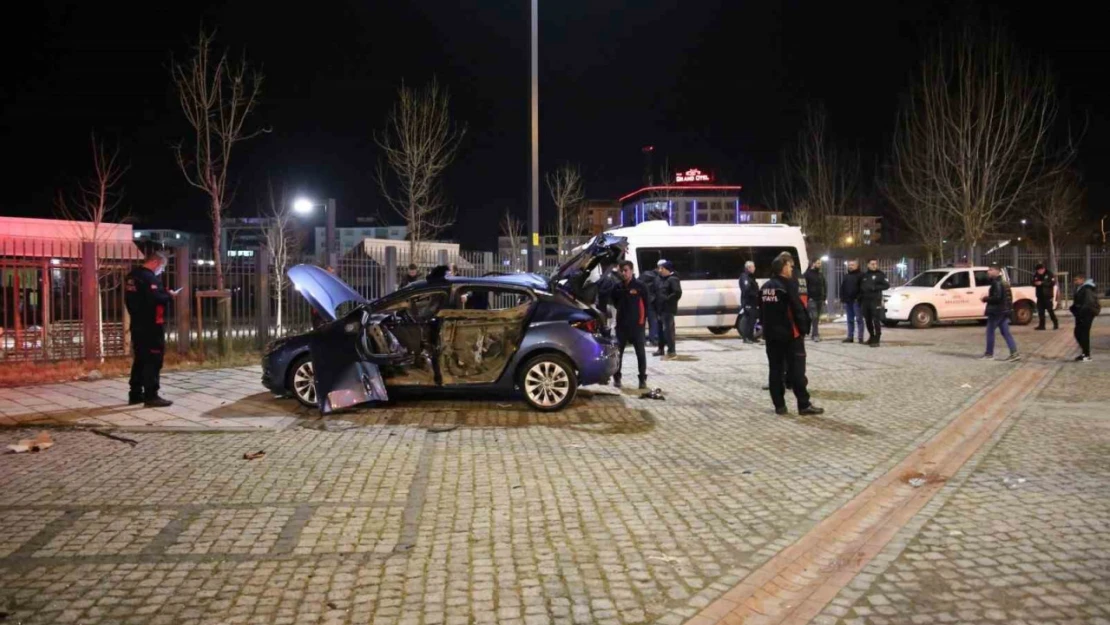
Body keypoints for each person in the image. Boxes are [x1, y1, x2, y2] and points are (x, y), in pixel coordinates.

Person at [760, 254, 823, 416]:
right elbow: (798, 310)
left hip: (772, 337)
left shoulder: (765, 287)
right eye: (790, 266)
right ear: (783, 267)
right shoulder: (788, 286)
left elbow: (762, 311)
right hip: (790, 335)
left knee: (775, 371)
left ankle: (779, 406)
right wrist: (803, 329)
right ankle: (804, 404)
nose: (791, 269)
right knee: (797, 372)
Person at [124, 251, 179, 407]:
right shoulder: (149, 278)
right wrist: (169, 295)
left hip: (137, 323)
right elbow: (155, 299)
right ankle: (151, 395)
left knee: (140, 359)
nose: (161, 270)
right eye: (162, 267)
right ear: (155, 262)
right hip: (151, 325)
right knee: (153, 360)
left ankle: (135, 393)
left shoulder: (132, 276)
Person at [612, 261, 649, 389]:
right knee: (618, 354)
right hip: (622, 326)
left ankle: (642, 379)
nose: (623, 273)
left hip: (637, 326)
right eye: (621, 270)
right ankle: (617, 377)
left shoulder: (640, 286)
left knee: (640, 353)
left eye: (626, 270)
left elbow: (647, 305)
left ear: (632, 271)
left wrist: (643, 322)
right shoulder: (617, 287)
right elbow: (615, 303)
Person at [980, 264, 1021, 362]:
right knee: (1005, 332)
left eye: (990, 269)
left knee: (990, 331)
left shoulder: (997, 283)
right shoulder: (1004, 282)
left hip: (997, 311)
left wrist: (985, 299)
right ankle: (1014, 353)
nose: (988, 272)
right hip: (1004, 311)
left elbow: (997, 298)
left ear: (997, 271)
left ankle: (989, 353)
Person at [1069, 273, 1099, 362]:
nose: (1075, 282)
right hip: (1081, 313)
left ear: (1082, 279)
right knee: (1078, 332)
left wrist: (1081, 313)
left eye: (1076, 280)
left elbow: (1088, 303)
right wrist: (1074, 308)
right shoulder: (1080, 288)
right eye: (1074, 280)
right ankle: (1084, 352)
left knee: (1083, 333)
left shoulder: (1087, 289)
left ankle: (1086, 354)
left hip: (1086, 313)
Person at [859, 259, 889, 347]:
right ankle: (871, 336)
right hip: (865, 301)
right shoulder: (865, 275)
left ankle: (877, 338)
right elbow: (861, 286)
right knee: (867, 320)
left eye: (875, 264)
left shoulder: (880, 274)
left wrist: (874, 287)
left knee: (876, 319)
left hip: (875, 300)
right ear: (868, 265)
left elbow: (887, 285)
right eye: (872, 264)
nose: (874, 265)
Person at [655, 261, 682, 359]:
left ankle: (671, 352)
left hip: (668, 309)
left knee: (668, 331)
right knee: (660, 330)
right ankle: (660, 349)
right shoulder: (661, 279)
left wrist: (666, 299)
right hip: (660, 308)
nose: (660, 270)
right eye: (659, 268)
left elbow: (677, 293)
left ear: (668, 269)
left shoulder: (673, 279)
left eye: (662, 268)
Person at [840, 260, 864, 343]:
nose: (850, 266)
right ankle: (850, 337)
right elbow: (842, 287)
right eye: (849, 265)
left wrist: (858, 298)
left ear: (857, 266)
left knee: (859, 319)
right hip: (848, 301)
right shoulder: (846, 276)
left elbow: (862, 288)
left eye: (852, 265)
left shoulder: (861, 275)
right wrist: (842, 298)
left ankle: (860, 337)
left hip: (856, 301)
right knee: (849, 320)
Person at [803, 259, 826, 342]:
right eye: (818, 263)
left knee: (816, 318)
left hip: (819, 299)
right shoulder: (807, 274)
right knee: (814, 317)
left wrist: (824, 297)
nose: (820, 265)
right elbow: (804, 287)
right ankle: (815, 334)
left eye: (820, 263)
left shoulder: (820, 274)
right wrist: (808, 297)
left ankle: (813, 333)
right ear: (813, 264)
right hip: (811, 299)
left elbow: (824, 285)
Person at [738, 261, 761, 344]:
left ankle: (751, 337)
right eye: (753, 267)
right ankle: (746, 337)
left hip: (753, 302)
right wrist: (755, 294)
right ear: (748, 268)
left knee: (753, 320)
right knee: (748, 320)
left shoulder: (751, 277)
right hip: (748, 302)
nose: (754, 268)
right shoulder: (745, 277)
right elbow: (746, 290)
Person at [640, 262, 662, 346]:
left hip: (641, 301)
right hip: (651, 302)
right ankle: (654, 339)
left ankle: (641, 340)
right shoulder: (657, 277)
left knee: (641, 321)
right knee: (653, 321)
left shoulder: (644, 274)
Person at [1032, 263, 1059, 330]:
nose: (1039, 272)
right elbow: (1032, 281)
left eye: (1040, 270)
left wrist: (1042, 283)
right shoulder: (1036, 274)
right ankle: (1042, 326)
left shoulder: (1049, 274)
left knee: (1050, 310)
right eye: (1038, 271)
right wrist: (1035, 283)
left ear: (1043, 269)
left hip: (1048, 296)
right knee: (1040, 312)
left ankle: (1055, 323)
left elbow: (1052, 283)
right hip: (1040, 296)